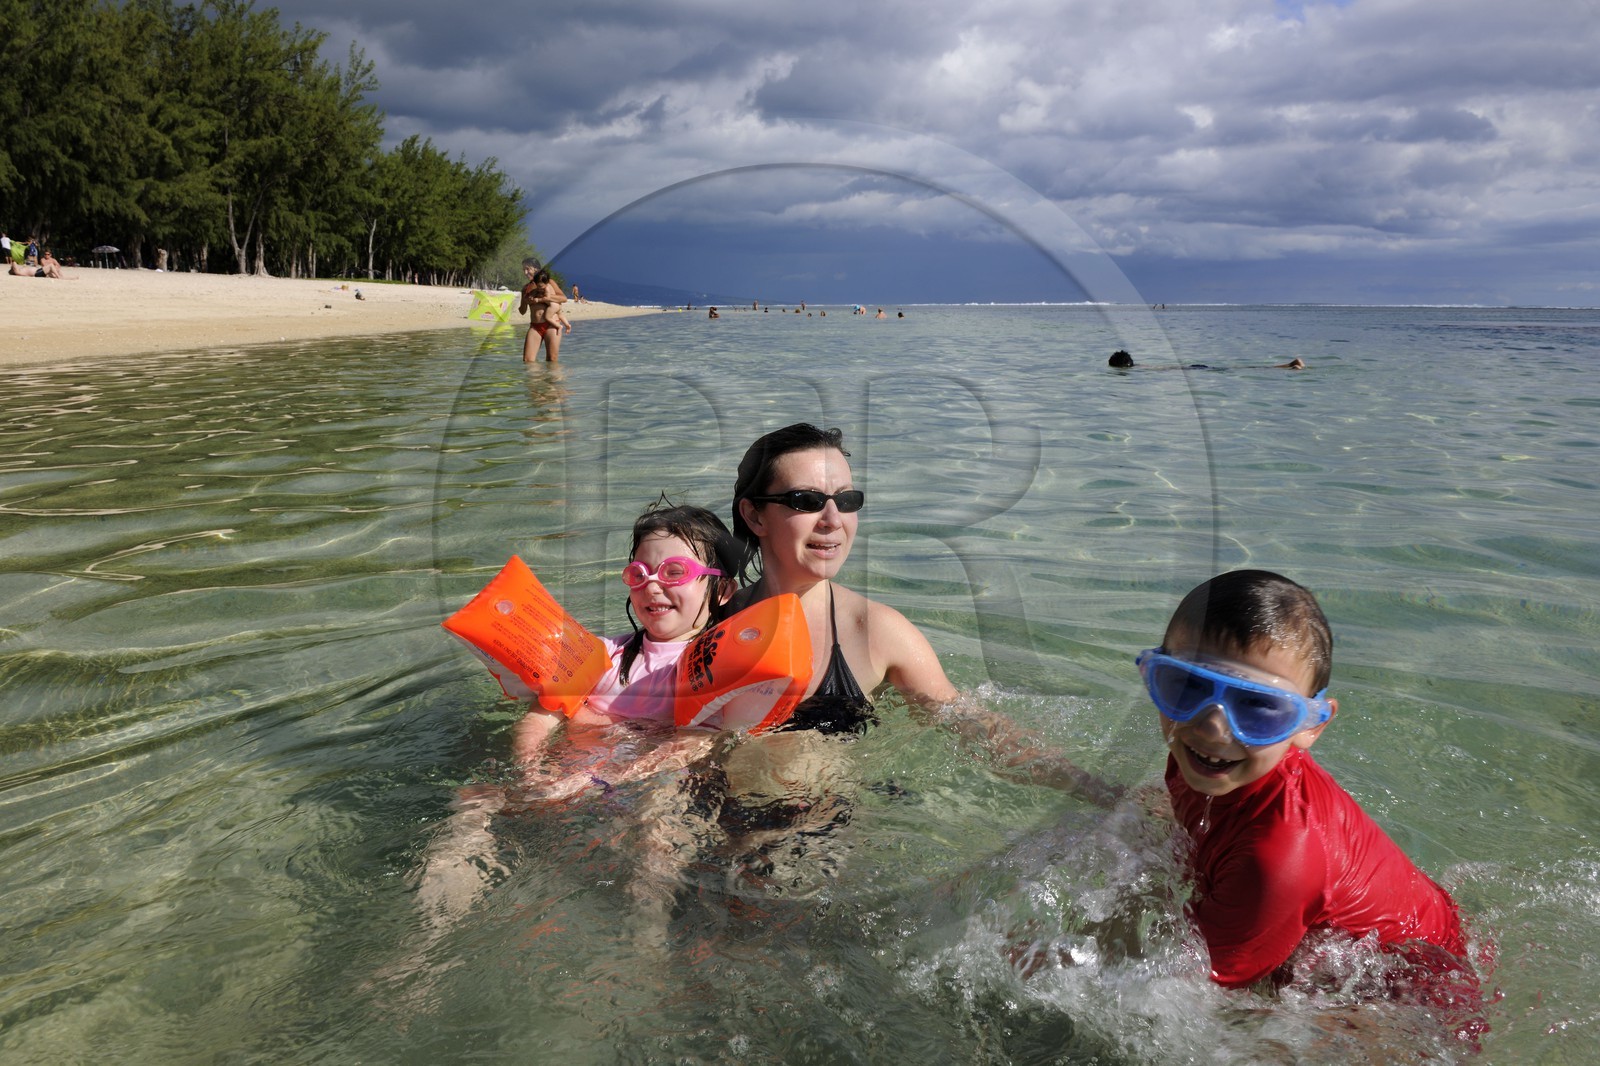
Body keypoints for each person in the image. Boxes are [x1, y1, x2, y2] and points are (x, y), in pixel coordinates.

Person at [1139, 569, 1481, 1028]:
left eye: (1259, 708)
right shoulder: (1207, 761)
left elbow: (1177, 990)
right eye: (1188, 685)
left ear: (1310, 725)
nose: (1213, 727)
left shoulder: (1278, 857)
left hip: (1412, 997)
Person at [414, 502, 738, 935]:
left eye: (675, 572)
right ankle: (430, 931)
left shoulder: (716, 668)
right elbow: (543, 713)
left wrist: (603, 779)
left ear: (722, 591)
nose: (653, 587)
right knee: (476, 799)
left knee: (660, 827)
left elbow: (694, 744)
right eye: (639, 574)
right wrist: (531, 768)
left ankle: (648, 938)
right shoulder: (602, 655)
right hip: (562, 783)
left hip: (646, 788)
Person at [727, 423, 958, 731]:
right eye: (807, 500)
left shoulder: (878, 631)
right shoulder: (713, 621)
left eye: (846, 500)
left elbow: (971, 727)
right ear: (754, 515)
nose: (833, 520)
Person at [518, 258, 568, 362]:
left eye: (528, 269)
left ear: (536, 269)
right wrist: (525, 300)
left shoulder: (548, 282)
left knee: (551, 359)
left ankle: (550, 378)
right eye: (524, 269)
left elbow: (563, 298)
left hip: (551, 324)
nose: (525, 272)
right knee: (528, 361)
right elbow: (522, 311)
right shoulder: (525, 288)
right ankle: (536, 378)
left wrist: (543, 299)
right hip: (535, 326)